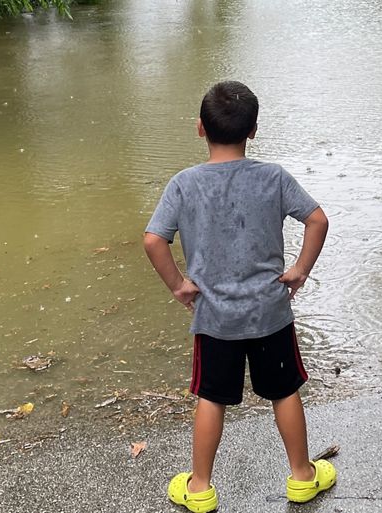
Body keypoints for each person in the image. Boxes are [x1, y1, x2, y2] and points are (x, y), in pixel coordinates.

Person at [143, 80, 334, 513]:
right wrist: (299, 271)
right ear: (253, 131)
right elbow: (318, 220)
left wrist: (179, 285)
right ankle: (302, 477)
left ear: (199, 128)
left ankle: (200, 489)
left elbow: (155, 240)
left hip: (215, 318)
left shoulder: (184, 184)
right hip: (269, 312)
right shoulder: (273, 177)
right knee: (284, 391)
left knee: (212, 397)